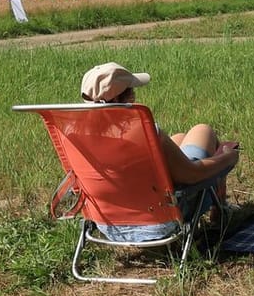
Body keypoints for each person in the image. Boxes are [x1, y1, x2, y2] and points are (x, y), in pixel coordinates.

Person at [79, 61, 240, 239]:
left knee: (179, 137)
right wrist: (227, 158)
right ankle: (219, 209)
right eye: (131, 92)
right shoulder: (145, 134)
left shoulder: (76, 138)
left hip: (107, 223)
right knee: (203, 130)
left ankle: (219, 206)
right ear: (119, 100)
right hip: (159, 221)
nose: (134, 96)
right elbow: (191, 175)